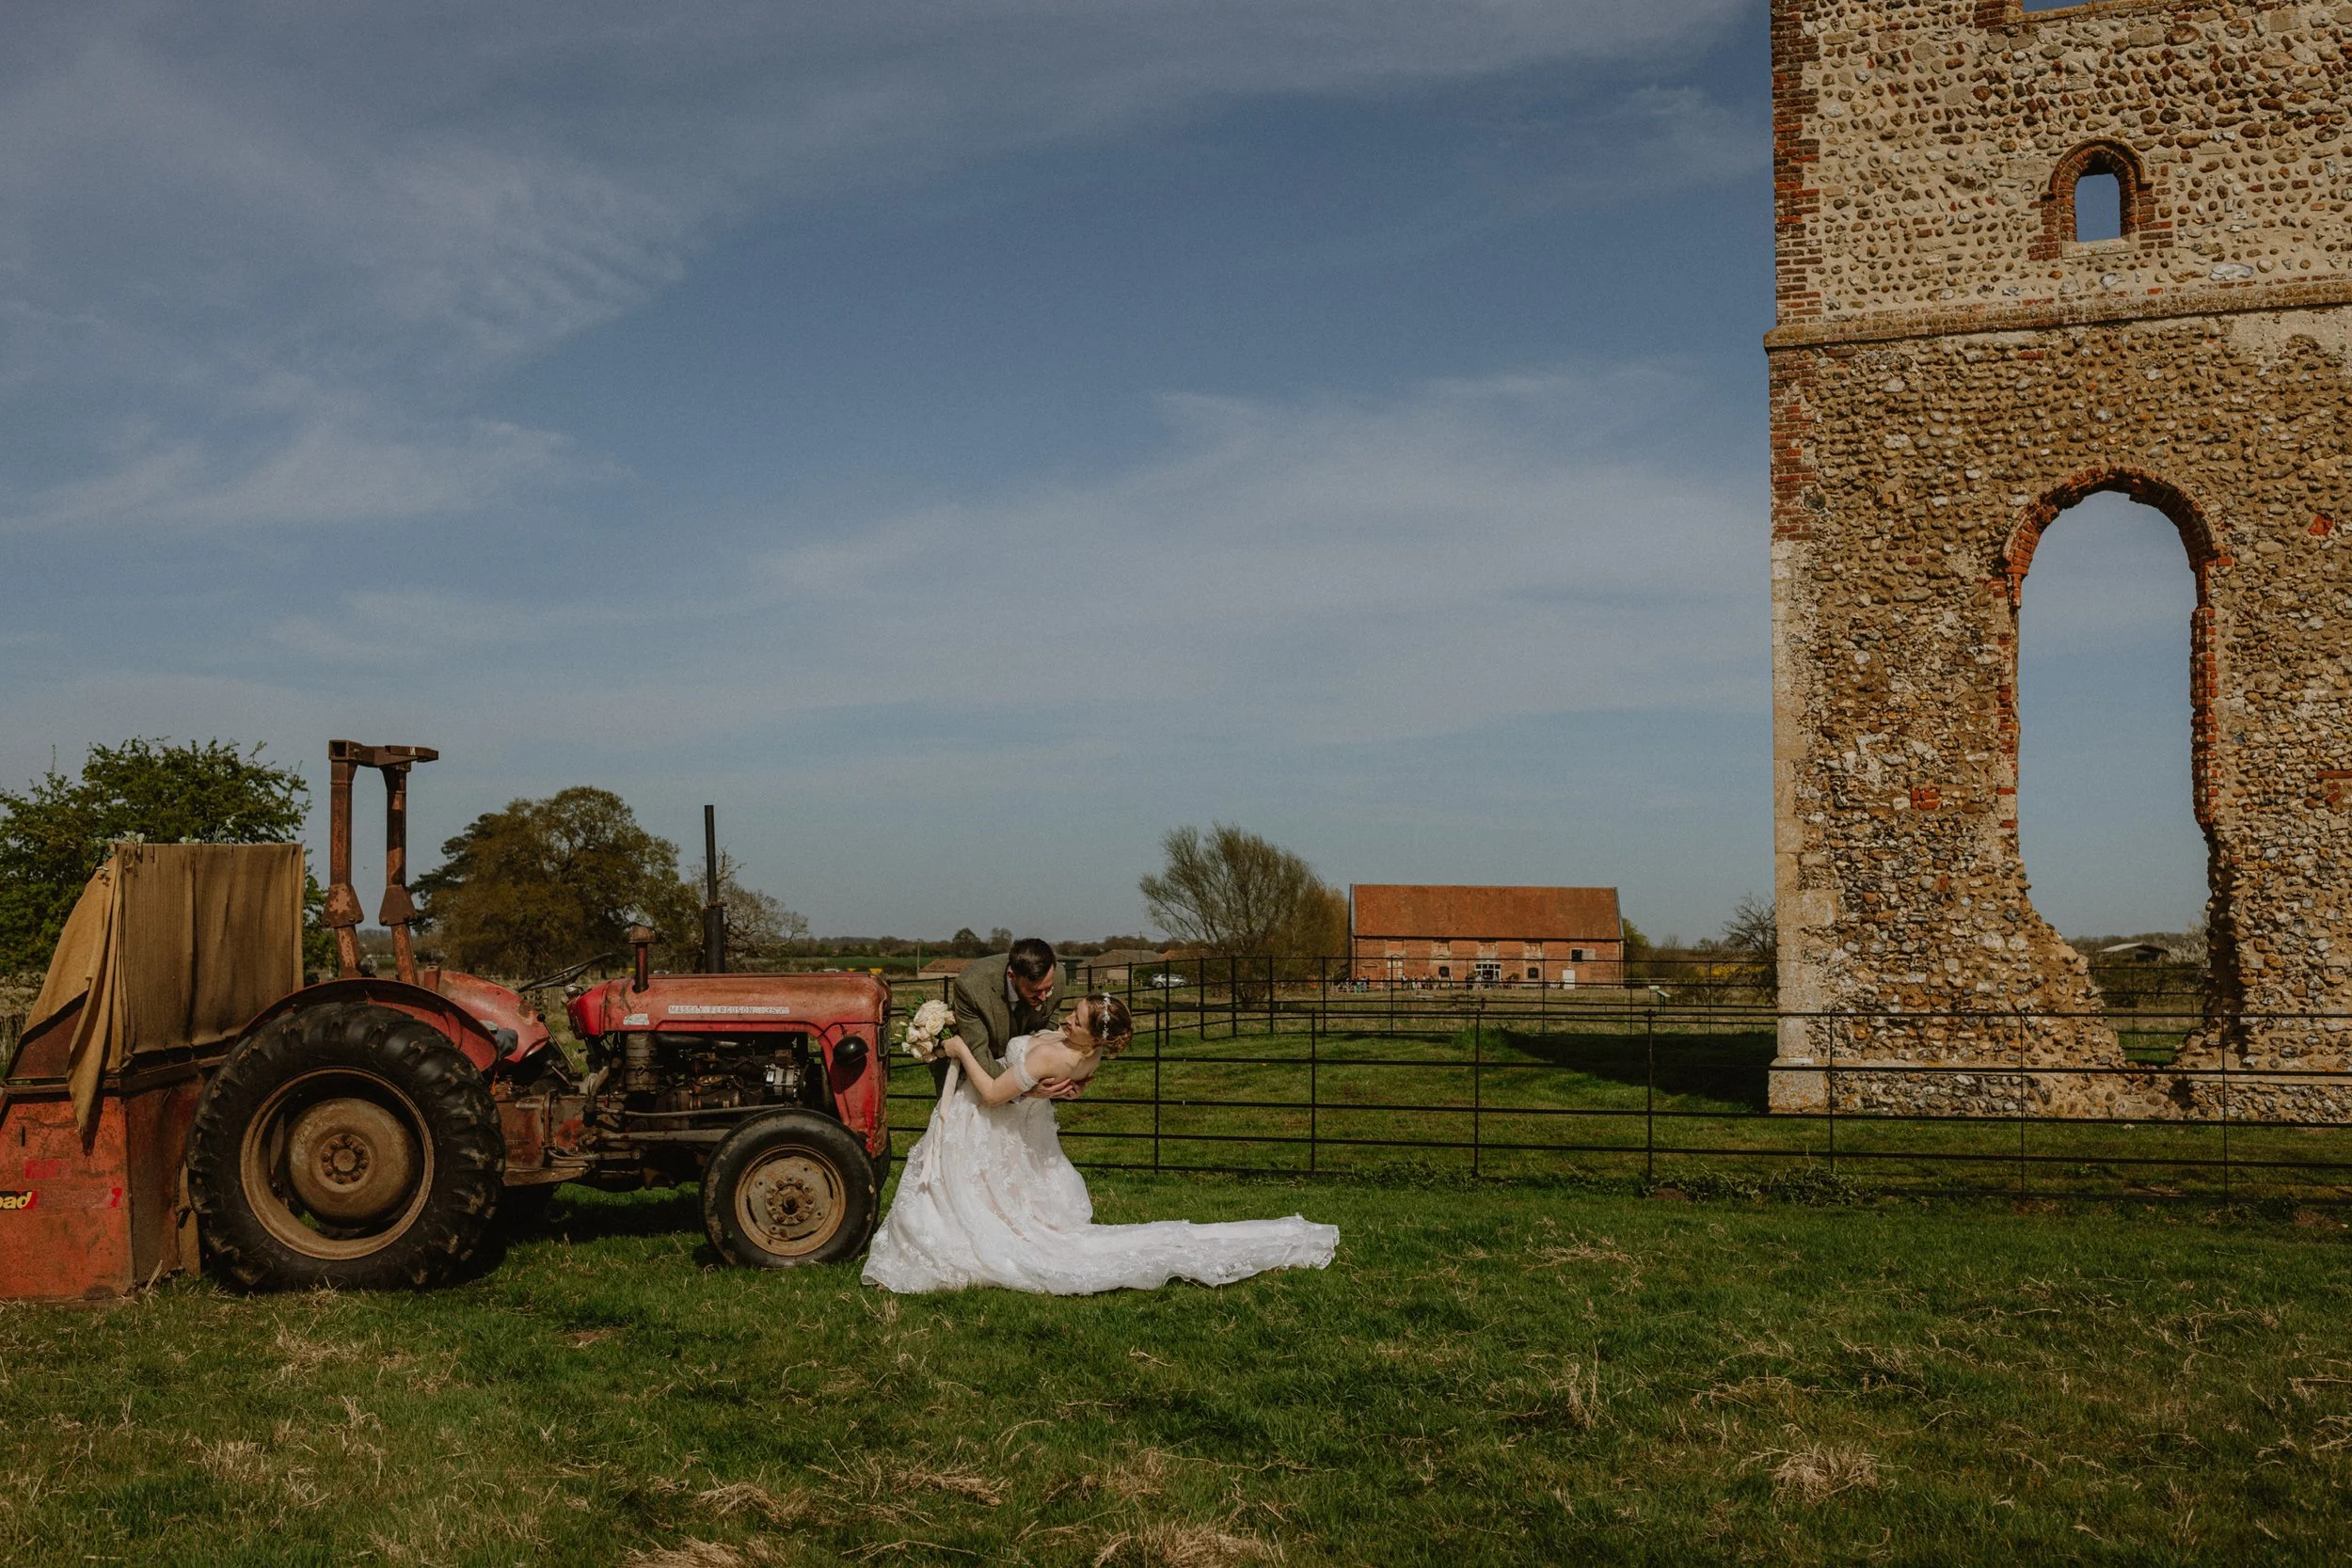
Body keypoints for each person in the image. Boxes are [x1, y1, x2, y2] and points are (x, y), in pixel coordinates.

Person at [863, 994, 1338, 1295]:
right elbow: (1065, 1078)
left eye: (1076, 1020)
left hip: (993, 1125)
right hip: (1027, 1130)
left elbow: (990, 1095)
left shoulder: (1052, 1053)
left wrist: (959, 1048)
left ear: (1092, 1038)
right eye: (1070, 1014)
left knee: (972, 1201)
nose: (1066, 1020)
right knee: (1012, 1200)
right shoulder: (1088, 1059)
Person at [937, 938, 1085, 1101]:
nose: (1044, 997)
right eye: (1035, 991)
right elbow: (979, 1054)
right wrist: (1027, 1088)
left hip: (1031, 1082)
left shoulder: (1058, 976)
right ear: (1012, 976)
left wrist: (1063, 1082)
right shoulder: (970, 987)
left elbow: (1049, 1032)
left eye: (1048, 989)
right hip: (981, 1079)